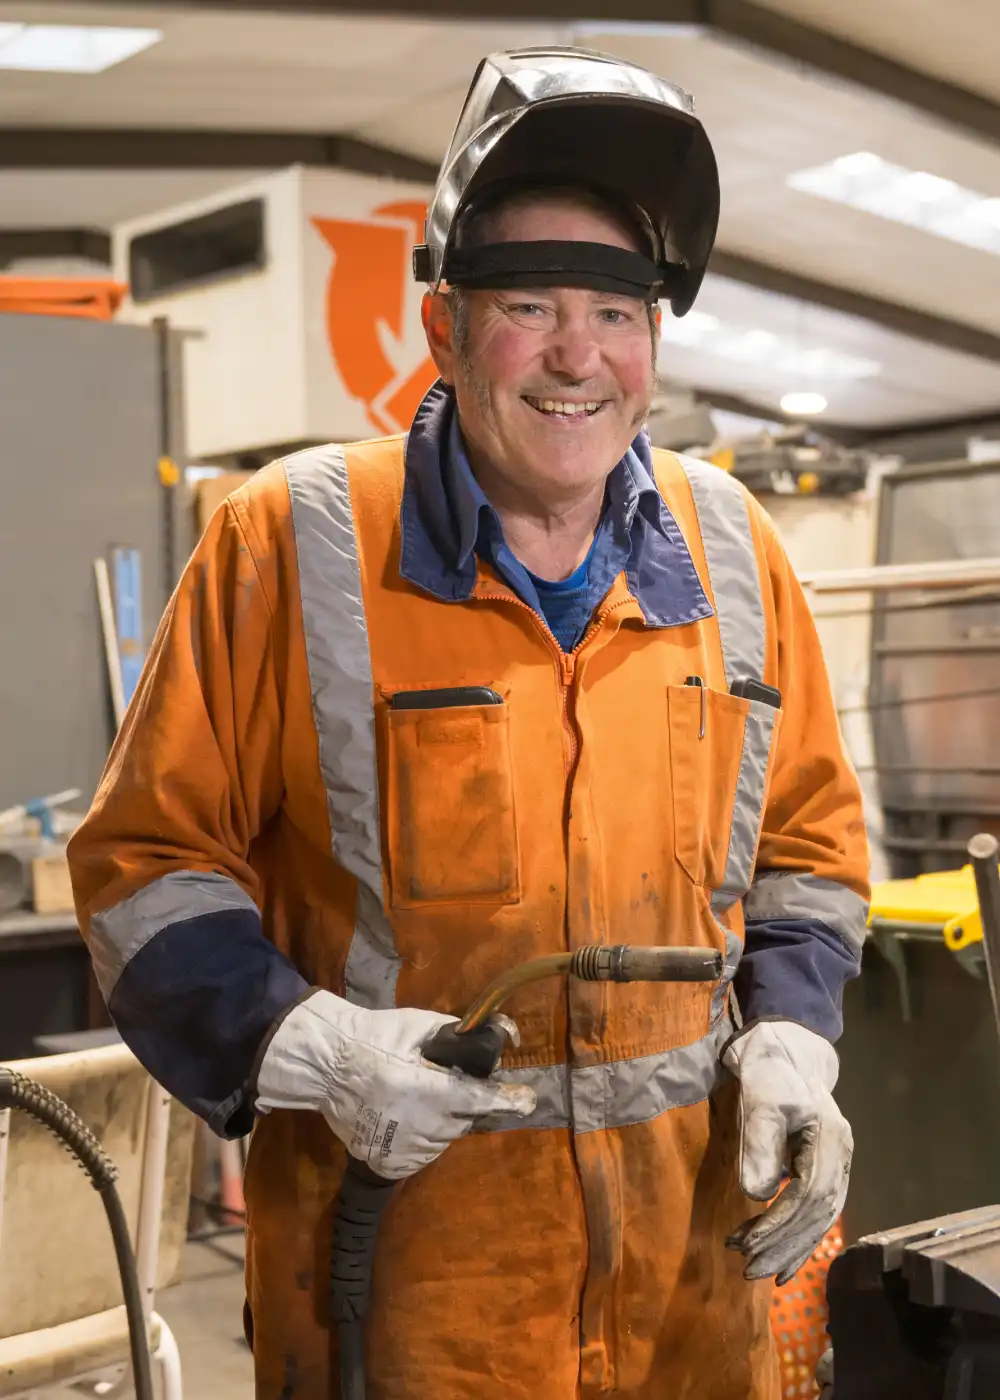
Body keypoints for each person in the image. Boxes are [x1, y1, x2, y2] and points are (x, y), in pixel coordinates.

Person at [68, 46, 870, 1400]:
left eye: (618, 312)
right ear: (444, 329)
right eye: (532, 305)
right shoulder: (294, 543)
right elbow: (142, 869)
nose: (578, 356)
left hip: (690, 1292)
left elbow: (807, 840)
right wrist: (303, 1046)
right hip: (409, 1292)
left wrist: (792, 1033)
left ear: (655, 342)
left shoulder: (733, 549)